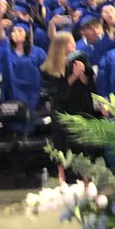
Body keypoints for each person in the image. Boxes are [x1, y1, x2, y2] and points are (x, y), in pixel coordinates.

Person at [42, 31, 98, 181]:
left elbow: (90, 85)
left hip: (81, 107)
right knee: (62, 146)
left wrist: (81, 74)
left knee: (84, 146)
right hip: (62, 110)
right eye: (70, 43)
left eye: (73, 42)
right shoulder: (50, 67)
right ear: (60, 47)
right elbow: (56, 92)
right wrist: (73, 76)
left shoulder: (81, 58)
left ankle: (86, 179)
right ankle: (62, 180)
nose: (74, 45)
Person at [0, 22, 46, 132]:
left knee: (30, 126)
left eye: (20, 31)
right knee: (12, 127)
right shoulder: (7, 51)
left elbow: (45, 73)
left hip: (32, 95)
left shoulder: (38, 52)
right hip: (12, 94)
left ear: (27, 35)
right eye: (14, 31)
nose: (16, 33)